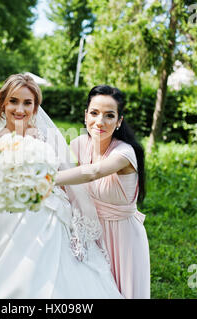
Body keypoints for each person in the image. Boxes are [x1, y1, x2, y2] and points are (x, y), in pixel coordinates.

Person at [0, 74, 123, 299]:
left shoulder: (47, 136)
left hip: (49, 214)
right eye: (14, 101)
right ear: (3, 104)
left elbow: (64, 178)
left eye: (28, 103)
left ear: (35, 107)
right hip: (8, 213)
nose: (20, 109)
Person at [55, 85, 150, 299]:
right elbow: (76, 185)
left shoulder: (125, 152)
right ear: (85, 115)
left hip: (123, 239)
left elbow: (92, 172)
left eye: (109, 116)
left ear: (119, 121)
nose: (100, 122)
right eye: (95, 113)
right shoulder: (80, 144)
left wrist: (46, 181)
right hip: (90, 231)